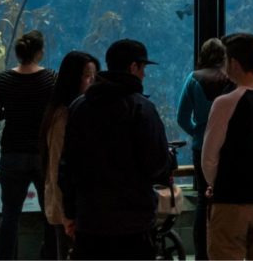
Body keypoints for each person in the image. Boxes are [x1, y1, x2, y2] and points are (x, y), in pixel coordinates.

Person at [59, 39, 175, 260]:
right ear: (133, 67)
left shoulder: (80, 106)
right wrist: (169, 160)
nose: (144, 75)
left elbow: (67, 166)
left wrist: (70, 212)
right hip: (133, 223)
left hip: (89, 220)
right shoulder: (142, 108)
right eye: (143, 69)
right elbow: (156, 165)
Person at [202, 33, 253, 260]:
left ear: (234, 63)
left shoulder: (225, 102)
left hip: (232, 203)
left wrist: (215, 184)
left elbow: (209, 157)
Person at [0, 30, 57, 260]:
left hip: (12, 153)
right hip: (41, 153)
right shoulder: (50, 78)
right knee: (49, 214)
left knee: (9, 215)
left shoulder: (5, 79)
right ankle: (50, 257)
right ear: (39, 53)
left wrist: (14, 110)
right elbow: (58, 110)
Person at [177, 37, 233, 260]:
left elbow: (182, 118)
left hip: (202, 148)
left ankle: (202, 254)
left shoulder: (192, 79)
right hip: (228, 148)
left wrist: (198, 134)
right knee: (228, 199)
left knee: (203, 199)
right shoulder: (231, 79)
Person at [40, 51, 99, 260]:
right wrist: (66, 216)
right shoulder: (63, 116)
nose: (91, 81)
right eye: (86, 76)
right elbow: (56, 167)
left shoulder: (81, 111)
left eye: (94, 76)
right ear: (72, 79)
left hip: (80, 209)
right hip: (68, 212)